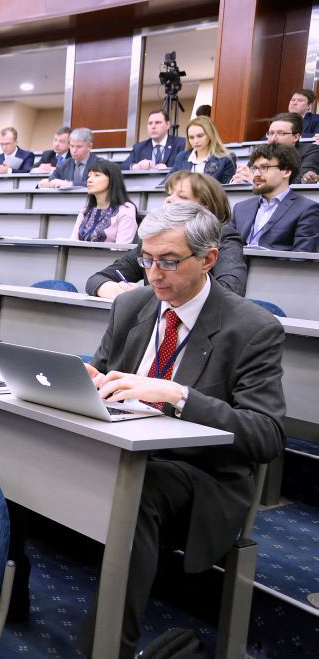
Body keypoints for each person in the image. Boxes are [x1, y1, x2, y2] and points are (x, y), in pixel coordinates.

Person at [78, 202, 286, 659]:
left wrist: (179, 396)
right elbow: (104, 375)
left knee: (138, 491)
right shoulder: (131, 305)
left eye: (168, 261)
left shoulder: (252, 328)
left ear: (209, 259)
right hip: (124, 447)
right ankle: (4, 605)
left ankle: (105, 649)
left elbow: (267, 435)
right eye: (146, 259)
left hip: (199, 475)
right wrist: (88, 384)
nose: (153, 274)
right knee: (24, 449)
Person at [88, 171, 248, 298]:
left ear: (205, 208)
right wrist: (113, 289)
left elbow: (231, 290)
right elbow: (97, 279)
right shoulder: (154, 238)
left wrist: (146, 296)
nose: (169, 200)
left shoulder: (223, 237)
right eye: (169, 194)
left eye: (182, 196)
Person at [231, 143, 319, 252]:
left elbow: (302, 258)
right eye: (254, 168)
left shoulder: (307, 210)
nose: (256, 174)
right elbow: (227, 246)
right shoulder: (240, 208)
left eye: (264, 167)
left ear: (286, 171)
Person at [232, 112, 319, 184]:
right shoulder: (261, 151)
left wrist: (257, 181)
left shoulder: (311, 151)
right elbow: (246, 176)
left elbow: (300, 183)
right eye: (271, 133)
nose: (273, 139)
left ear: (296, 137)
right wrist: (238, 179)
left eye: (281, 133)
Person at [71, 160, 138, 243]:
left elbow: (121, 247)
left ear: (112, 179)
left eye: (97, 175)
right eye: (89, 176)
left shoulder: (125, 209)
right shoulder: (84, 211)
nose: (89, 180)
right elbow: (73, 242)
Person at [166, 116, 236, 184]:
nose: (196, 141)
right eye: (191, 137)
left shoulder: (226, 158)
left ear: (210, 135)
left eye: (200, 136)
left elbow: (226, 188)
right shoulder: (181, 157)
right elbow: (166, 183)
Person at [119, 109, 187, 170]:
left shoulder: (181, 144)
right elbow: (123, 166)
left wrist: (168, 169)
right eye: (150, 123)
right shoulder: (139, 147)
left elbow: (187, 167)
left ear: (168, 125)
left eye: (157, 122)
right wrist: (137, 166)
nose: (153, 126)